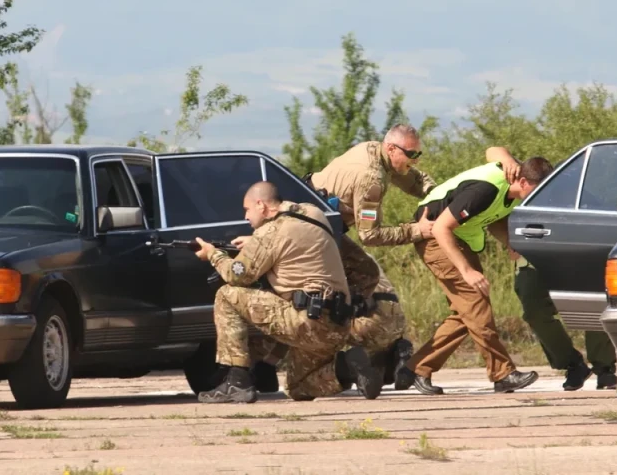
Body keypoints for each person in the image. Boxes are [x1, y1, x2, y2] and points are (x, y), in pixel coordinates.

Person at [194, 181, 384, 403]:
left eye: (247, 210)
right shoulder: (312, 213)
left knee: (227, 294)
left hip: (305, 322)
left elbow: (238, 275)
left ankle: (237, 381)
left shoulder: (270, 233)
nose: (245, 217)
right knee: (297, 388)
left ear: (261, 205)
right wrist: (256, 242)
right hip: (337, 324)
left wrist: (214, 255)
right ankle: (346, 368)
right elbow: (290, 241)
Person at [396, 156, 555, 394]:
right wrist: (466, 270)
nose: (539, 195)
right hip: (435, 237)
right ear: (522, 181)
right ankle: (502, 373)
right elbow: (441, 227)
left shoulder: (510, 192)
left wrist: (510, 243)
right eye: (538, 189)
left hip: (458, 238)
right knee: (477, 305)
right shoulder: (484, 190)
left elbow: (493, 218)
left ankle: (415, 368)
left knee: (467, 313)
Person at [305, 124, 437, 389]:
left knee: (359, 280)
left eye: (417, 154)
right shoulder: (371, 179)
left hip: (317, 222)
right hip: (314, 234)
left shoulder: (373, 150)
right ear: (391, 148)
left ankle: (361, 349)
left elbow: (408, 177)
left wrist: (438, 194)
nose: (415, 160)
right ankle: (351, 349)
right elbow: (371, 235)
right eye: (412, 154)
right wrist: (417, 231)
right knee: (364, 277)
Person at [486, 147, 617, 391]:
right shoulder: (509, 184)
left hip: (572, 258)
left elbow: (599, 218)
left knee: (592, 304)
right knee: (534, 311)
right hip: (532, 260)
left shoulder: (573, 193)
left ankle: (605, 368)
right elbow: (492, 151)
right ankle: (571, 364)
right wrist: (510, 240)